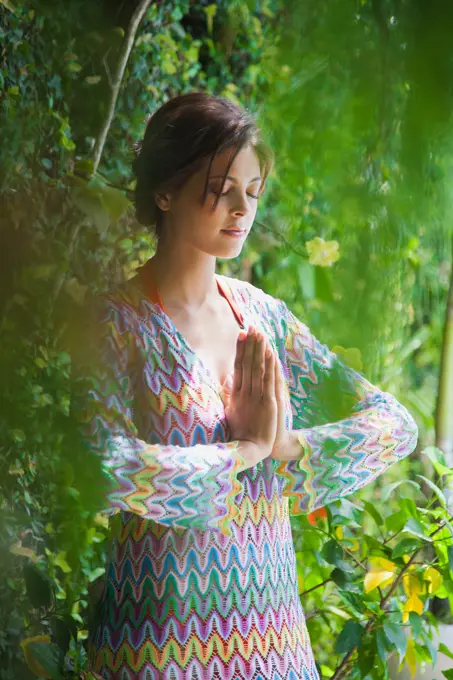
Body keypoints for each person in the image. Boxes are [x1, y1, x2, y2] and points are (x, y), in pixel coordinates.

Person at [80, 92, 418, 680]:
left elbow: (395, 425)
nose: (242, 209)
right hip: (159, 644)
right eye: (223, 188)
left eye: (253, 191)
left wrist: (287, 447)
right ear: (165, 191)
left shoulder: (262, 318)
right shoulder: (113, 323)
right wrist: (241, 455)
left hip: (273, 640)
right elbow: (99, 466)